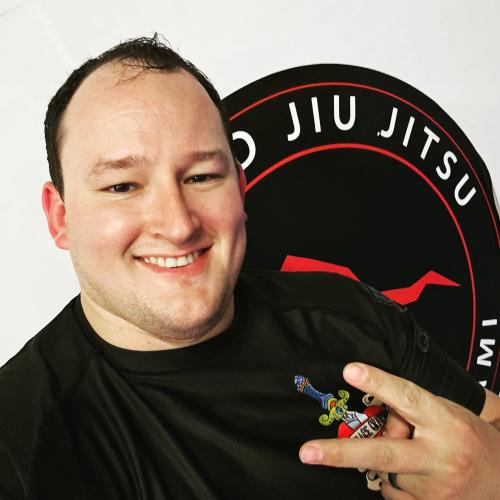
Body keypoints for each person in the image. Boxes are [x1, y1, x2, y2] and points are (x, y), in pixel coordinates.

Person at [0, 34, 498, 499]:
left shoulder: (344, 312)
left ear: (240, 188)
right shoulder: (20, 444)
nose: (177, 224)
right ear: (61, 218)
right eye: (122, 187)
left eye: (201, 176)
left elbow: (487, 421)